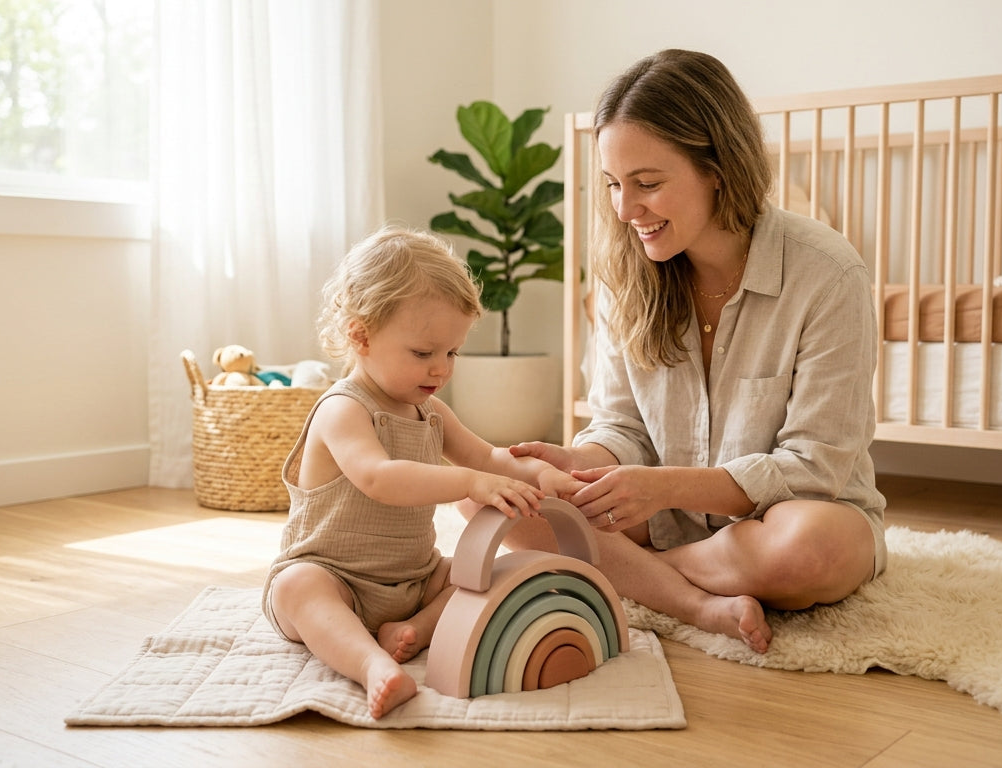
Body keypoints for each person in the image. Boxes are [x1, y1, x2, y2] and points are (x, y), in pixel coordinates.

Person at [505, 49, 887, 654]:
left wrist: (664, 488)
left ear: (717, 167)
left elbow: (815, 467)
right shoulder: (624, 277)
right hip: (665, 520)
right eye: (613, 185)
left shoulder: (829, 273)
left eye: (648, 184)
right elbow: (623, 425)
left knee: (808, 551)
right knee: (522, 516)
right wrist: (581, 461)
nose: (625, 211)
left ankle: (644, 575)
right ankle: (701, 591)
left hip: (800, 514)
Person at [263, 226, 583, 719]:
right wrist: (469, 483)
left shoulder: (431, 413)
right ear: (361, 335)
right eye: (423, 353)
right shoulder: (343, 409)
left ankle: (413, 630)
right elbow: (378, 476)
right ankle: (372, 665)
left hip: (413, 582)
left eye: (451, 353)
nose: (441, 370)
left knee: (480, 573)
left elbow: (490, 457)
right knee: (297, 588)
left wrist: (543, 474)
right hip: (335, 578)